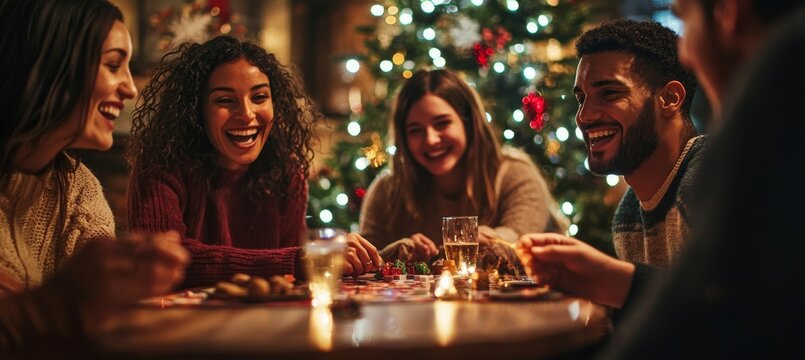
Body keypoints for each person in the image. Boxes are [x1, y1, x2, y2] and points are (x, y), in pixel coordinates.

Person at [599, 0, 805, 357]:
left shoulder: (783, 80)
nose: (688, 56)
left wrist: (614, 280)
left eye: (684, 20)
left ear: (730, 11)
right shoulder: (628, 212)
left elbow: (718, 313)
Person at [0, 0, 188, 353]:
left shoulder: (79, 188)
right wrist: (63, 301)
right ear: (52, 63)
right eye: (114, 65)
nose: (131, 89)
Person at [127, 36, 381, 288]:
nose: (247, 114)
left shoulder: (286, 172)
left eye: (259, 97)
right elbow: (159, 260)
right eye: (225, 100)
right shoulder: (161, 166)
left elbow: (291, 281)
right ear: (196, 109)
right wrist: (298, 259)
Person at [516, 19, 703, 311]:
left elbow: (733, 308)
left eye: (609, 93)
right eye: (581, 98)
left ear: (670, 98)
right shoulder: (628, 214)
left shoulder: (709, 177)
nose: (584, 116)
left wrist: (610, 279)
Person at [360, 69, 567, 266]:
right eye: (415, 130)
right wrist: (396, 252)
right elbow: (367, 263)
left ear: (469, 123)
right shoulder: (387, 190)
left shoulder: (515, 175)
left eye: (442, 124)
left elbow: (522, 244)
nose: (430, 140)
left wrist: (491, 239)